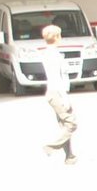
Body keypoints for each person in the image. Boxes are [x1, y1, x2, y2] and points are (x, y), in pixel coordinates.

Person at [39, 23, 77, 165]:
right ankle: (51, 146)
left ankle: (70, 156)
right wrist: (65, 98)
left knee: (64, 125)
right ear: (56, 37)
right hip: (57, 92)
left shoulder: (46, 53)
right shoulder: (54, 55)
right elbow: (57, 77)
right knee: (71, 124)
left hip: (52, 91)